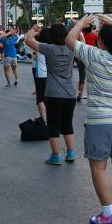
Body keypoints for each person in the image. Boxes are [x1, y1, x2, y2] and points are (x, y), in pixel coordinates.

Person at [65, 14, 112, 224]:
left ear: (100, 41)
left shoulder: (93, 55)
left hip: (100, 120)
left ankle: (107, 214)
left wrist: (81, 23)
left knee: (99, 168)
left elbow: (69, 39)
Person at [26, 24, 75, 165]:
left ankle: (56, 156)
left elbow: (28, 40)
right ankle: (70, 152)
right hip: (70, 93)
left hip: (54, 93)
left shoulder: (49, 49)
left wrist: (33, 29)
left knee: (53, 125)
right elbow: (81, 40)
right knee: (67, 123)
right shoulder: (72, 48)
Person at [77, 25, 98, 102]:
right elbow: (97, 46)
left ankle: (79, 95)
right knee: (93, 78)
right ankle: (93, 95)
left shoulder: (81, 36)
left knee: (81, 78)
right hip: (91, 58)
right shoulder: (94, 36)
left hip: (82, 58)